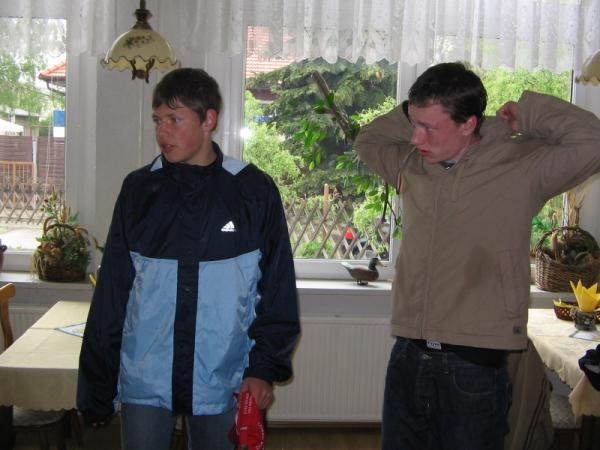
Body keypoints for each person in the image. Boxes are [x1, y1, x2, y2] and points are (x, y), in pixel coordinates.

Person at [354, 62, 600, 449]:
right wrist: (410, 113)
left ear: (468, 123)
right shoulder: (411, 163)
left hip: (474, 366)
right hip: (408, 353)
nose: (415, 138)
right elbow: (368, 140)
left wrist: (529, 113)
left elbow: (593, 143)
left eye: (429, 127)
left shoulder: (522, 167)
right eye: (413, 124)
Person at [77, 68, 300, 450]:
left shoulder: (253, 191)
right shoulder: (138, 190)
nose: (162, 132)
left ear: (208, 119)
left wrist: (263, 368)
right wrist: (96, 384)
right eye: (157, 121)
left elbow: (277, 291)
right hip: (145, 380)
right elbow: (112, 294)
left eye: (174, 119)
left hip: (223, 379)